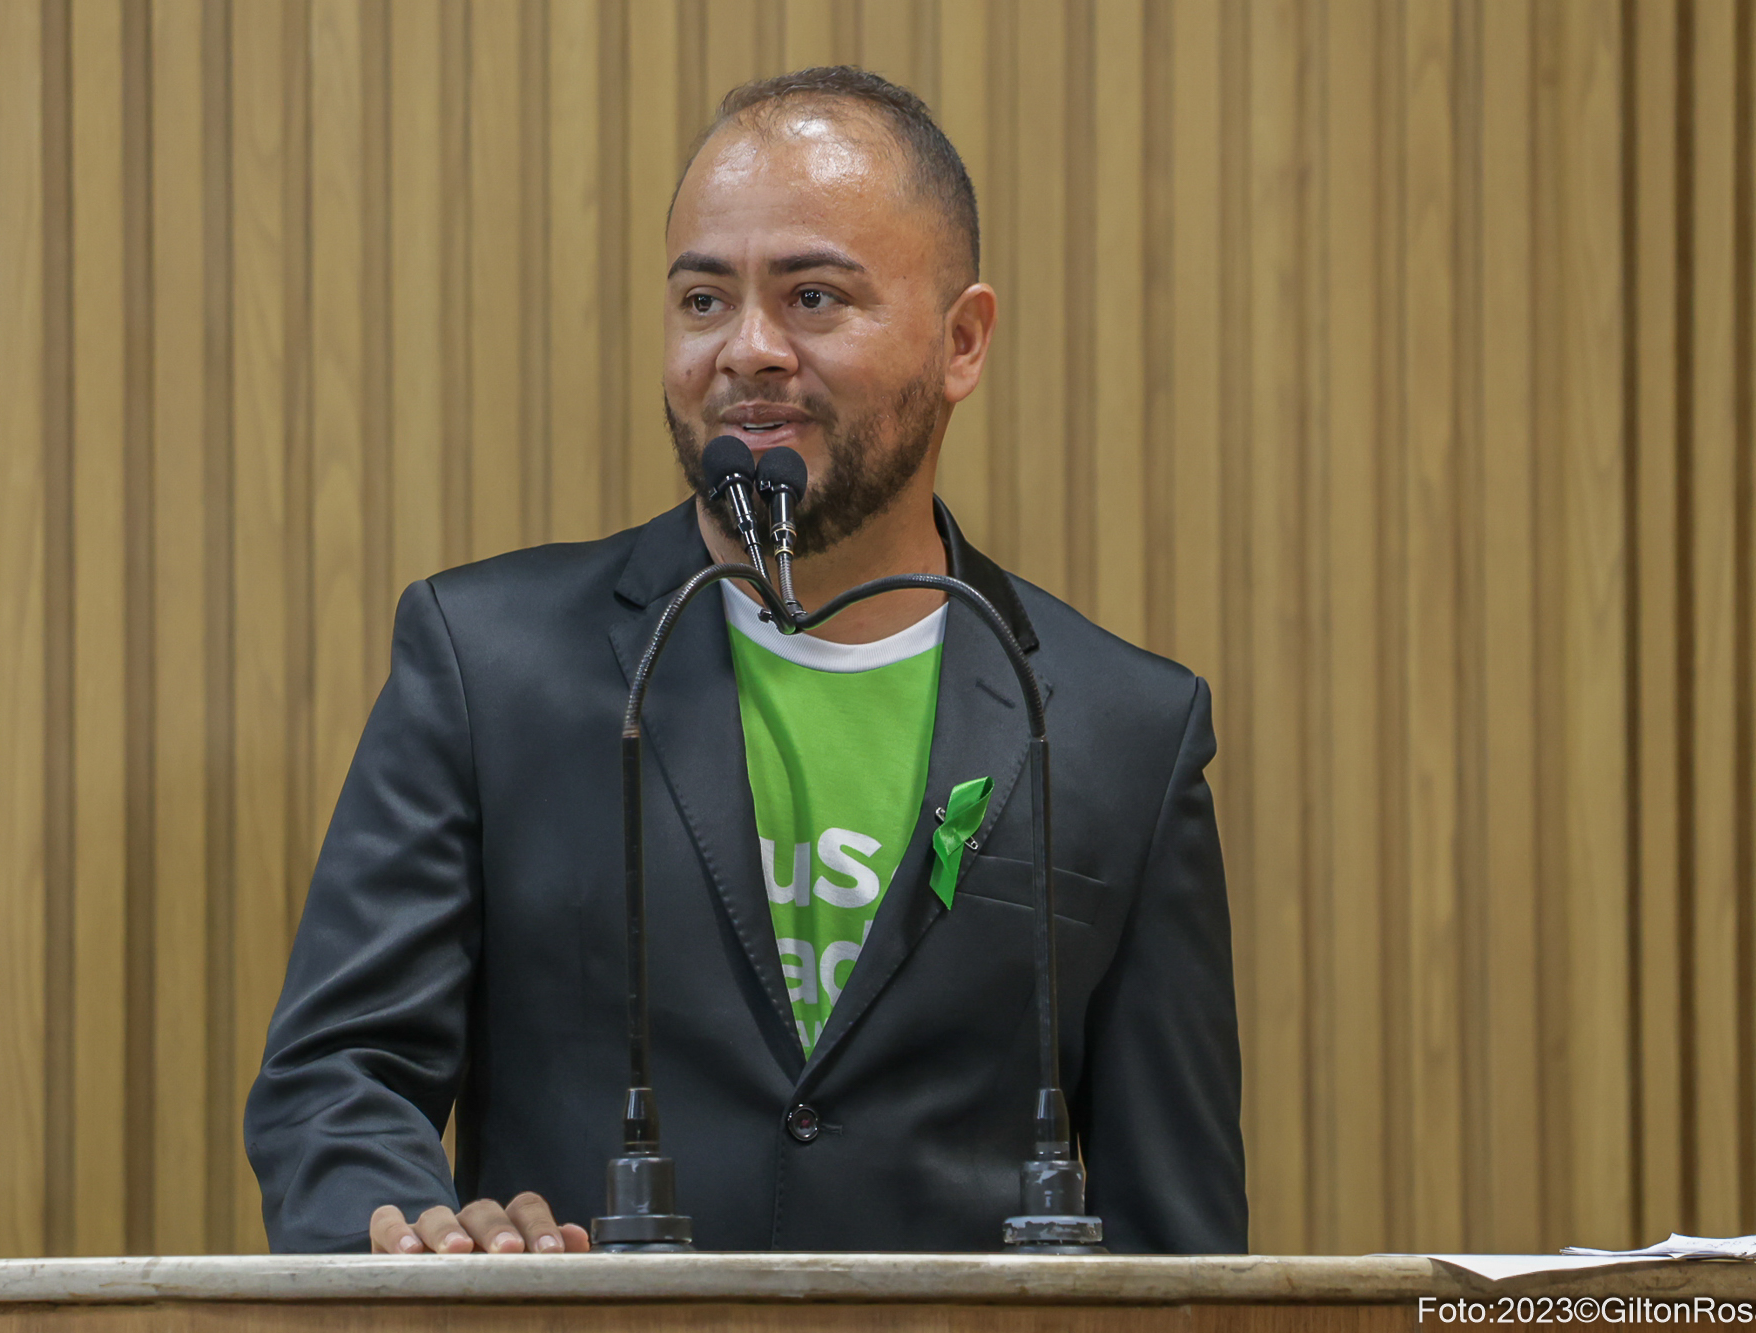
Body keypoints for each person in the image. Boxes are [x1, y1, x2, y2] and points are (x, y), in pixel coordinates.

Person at [245, 66, 1245, 1257]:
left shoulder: (1118, 728)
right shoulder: (488, 665)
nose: (747, 350)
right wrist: (422, 1244)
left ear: (961, 339)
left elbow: (1174, 1235)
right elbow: (337, 1080)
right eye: (703, 299)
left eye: (813, 297)